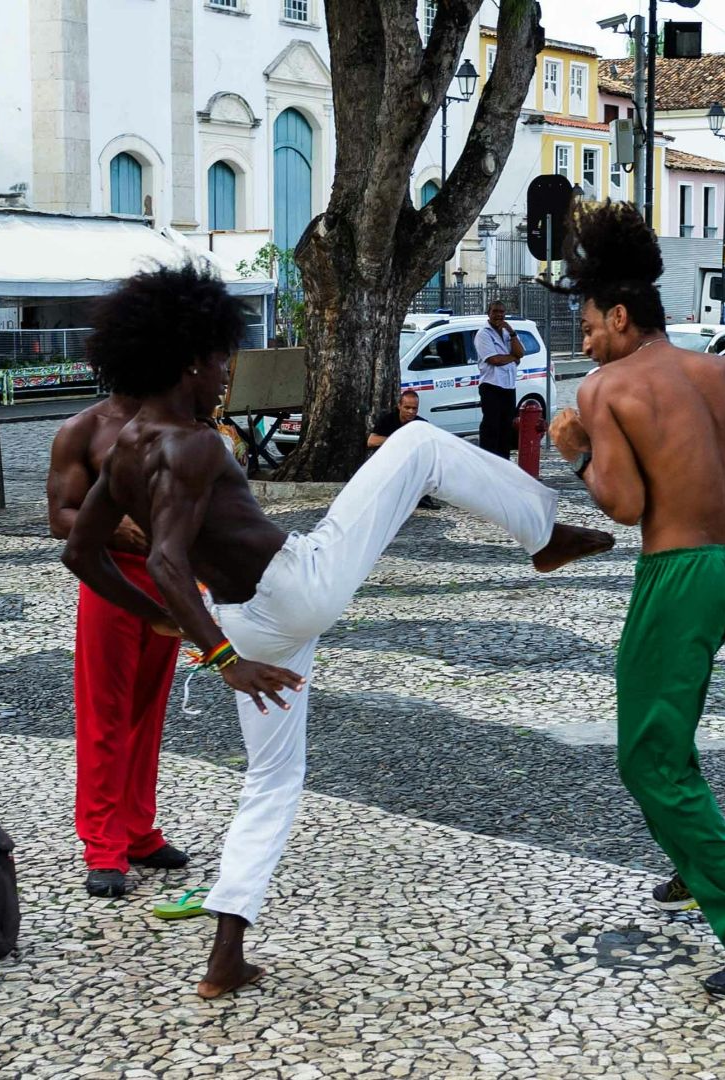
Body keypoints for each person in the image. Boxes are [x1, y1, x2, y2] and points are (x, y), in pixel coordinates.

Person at [62, 264, 612, 1000]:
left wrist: (168, 621)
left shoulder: (127, 445)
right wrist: (219, 659)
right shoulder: (192, 445)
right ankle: (540, 531)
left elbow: (79, 550)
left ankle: (226, 952)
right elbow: (162, 557)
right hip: (294, 587)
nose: (228, 373)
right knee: (416, 447)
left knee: (273, 780)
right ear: (191, 358)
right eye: (223, 358)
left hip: (249, 621)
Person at [546, 200, 725, 1001]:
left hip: (679, 575)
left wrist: (577, 453)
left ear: (622, 315)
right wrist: (706, 470)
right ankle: (693, 866)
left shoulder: (608, 387)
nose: (586, 340)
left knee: (646, 755)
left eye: (590, 324)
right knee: (672, 729)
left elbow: (624, 506)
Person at [47, 397, 188, 898]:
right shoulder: (82, 428)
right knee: (105, 711)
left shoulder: (178, 418)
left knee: (148, 712)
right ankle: (103, 845)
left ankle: (138, 830)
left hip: (166, 580)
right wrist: (107, 525)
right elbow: (59, 516)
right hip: (107, 581)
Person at [473, 301, 523, 458]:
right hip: (491, 386)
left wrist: (512, 332)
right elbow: (494, 360)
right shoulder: (483, 334)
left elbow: (520, 353)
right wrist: (512, 357)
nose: (498, 315)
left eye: (501, 312)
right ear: (489, 313)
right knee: (491, 427)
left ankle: (503, 461)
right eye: (495, 311)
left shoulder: (508, 333)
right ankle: (489, 460)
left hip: (508, 386)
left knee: (506, 428)